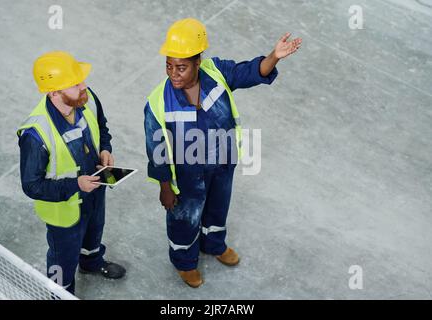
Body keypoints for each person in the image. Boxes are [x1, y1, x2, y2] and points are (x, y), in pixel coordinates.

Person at [144, 18, 302, 288]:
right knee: (185, 217)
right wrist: (164, 186)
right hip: (187, 174)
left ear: (198, 61)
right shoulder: (158, 102)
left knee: (218, 207)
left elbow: (249, 72)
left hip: (222, 162)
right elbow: (156, 151)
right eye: (169, 65)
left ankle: (214, 243)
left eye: (181, 67)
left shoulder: (216, 72)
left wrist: (274, 56)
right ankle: (185, 262)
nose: (174, 73)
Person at [17, 51, 126, 295]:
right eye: (75, 83)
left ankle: (91, 263)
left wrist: (105, 149)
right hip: (64, 210)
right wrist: (76, 185)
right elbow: (31, 186)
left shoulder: (86, 99)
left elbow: (102, 126)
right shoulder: (35, 135)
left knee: (93, 235)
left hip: (95, 192)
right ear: (53, 92)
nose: (83, 86)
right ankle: (60, 292)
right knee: (62, 259)